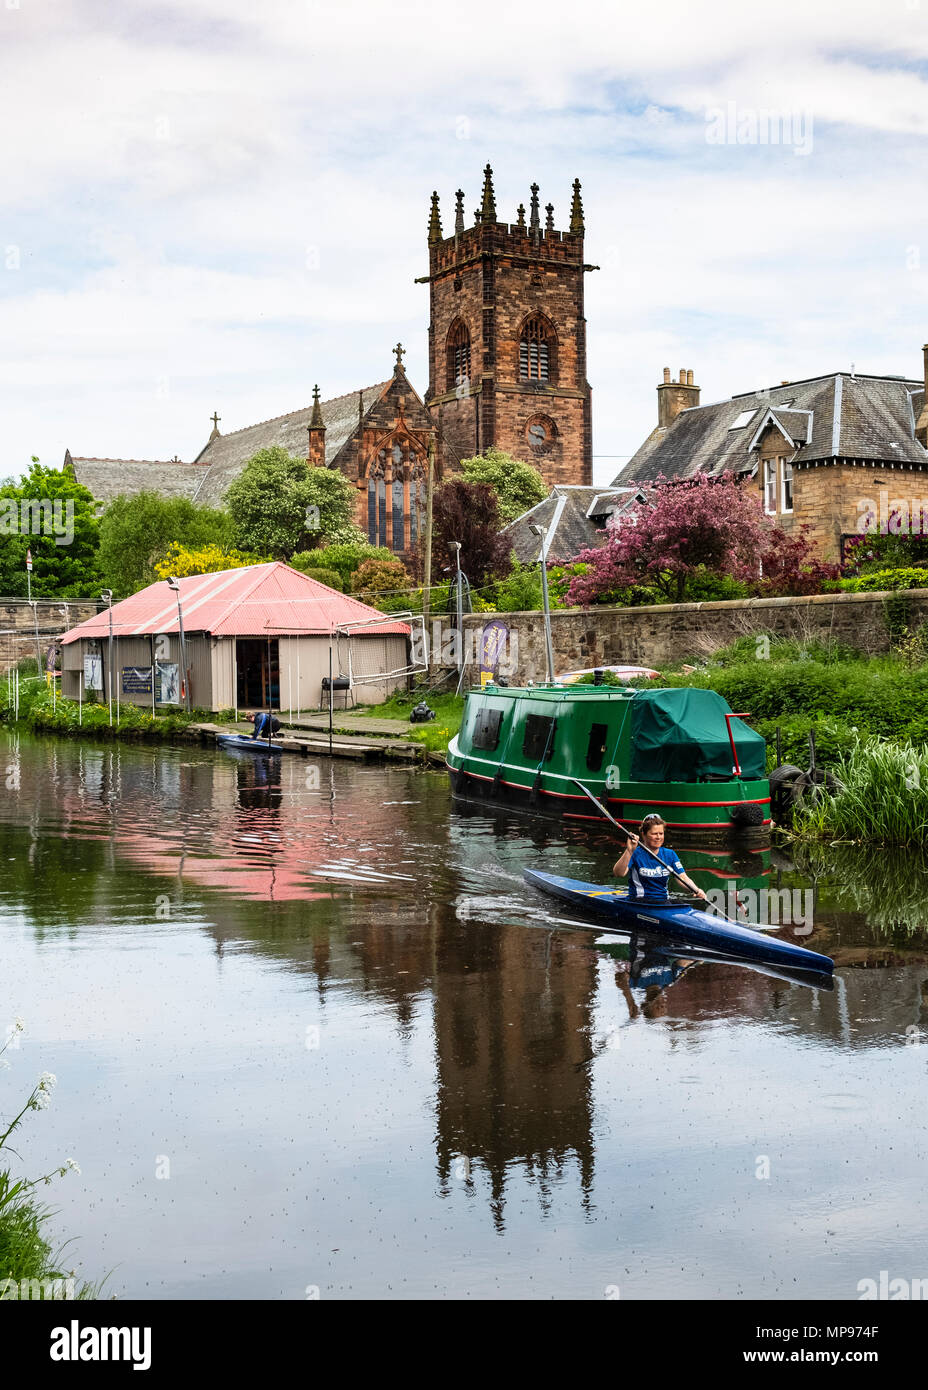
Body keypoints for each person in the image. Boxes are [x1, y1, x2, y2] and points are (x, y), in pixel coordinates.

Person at [613, 813, 707, 904]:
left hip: (662, 901)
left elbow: (682, 877)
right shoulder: (635, 853)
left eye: (661, 833)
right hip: (639, 902)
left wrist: (696, 890)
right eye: (654, 834)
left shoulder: (670, 854)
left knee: (679, 903)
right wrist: (629, 851)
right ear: (643, 834)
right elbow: (618, 873)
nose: (658, 837)